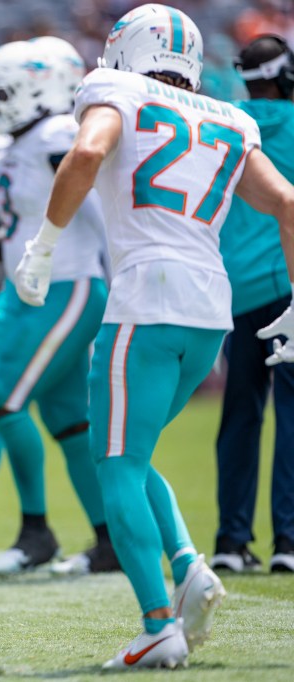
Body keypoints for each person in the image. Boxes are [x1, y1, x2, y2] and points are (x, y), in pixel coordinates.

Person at [14, 4, 294, 669]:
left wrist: (43, 246)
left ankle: (157, 624)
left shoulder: (114, 88)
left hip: (145, 296)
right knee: (133, 454)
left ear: (126, 48)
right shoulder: (231, 114)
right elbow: (286, 201)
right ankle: (190, 565)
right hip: (211, 308)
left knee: (113, 465)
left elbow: (87, 151)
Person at [0, 37, 117, 578]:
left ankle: (35, 530)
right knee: (66, 420)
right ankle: (108, 541)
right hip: (30, 291)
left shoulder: (59, 135)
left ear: (39, 88)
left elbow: (98, 208)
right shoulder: (13, 146)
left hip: (69, 287)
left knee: (4, 403)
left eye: (1, 94)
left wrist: (122, 277)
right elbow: (19, 231)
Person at [212, 34, 294, 574]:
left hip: (231, 290)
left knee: (239, 412)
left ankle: (230, 541)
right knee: (291, 414)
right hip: (288, 286)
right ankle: (288, 540)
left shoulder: (224, 122)